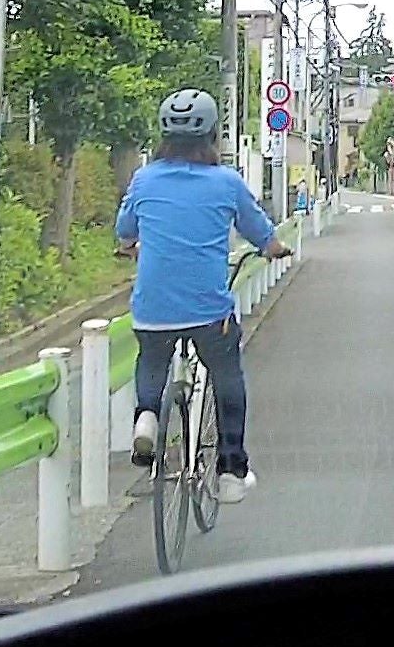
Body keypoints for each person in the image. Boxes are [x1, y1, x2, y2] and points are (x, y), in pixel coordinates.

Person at [118, 88, 291, 502]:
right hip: (208, 311)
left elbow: (125, 232)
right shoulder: (226, 182)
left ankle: (146, 416)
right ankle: (231, 471)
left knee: (153, 358)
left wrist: (133, 247)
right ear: (213, 135)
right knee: (227, 373)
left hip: (153, 307)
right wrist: (274, 249)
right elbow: (260, 231)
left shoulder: (144, 178)